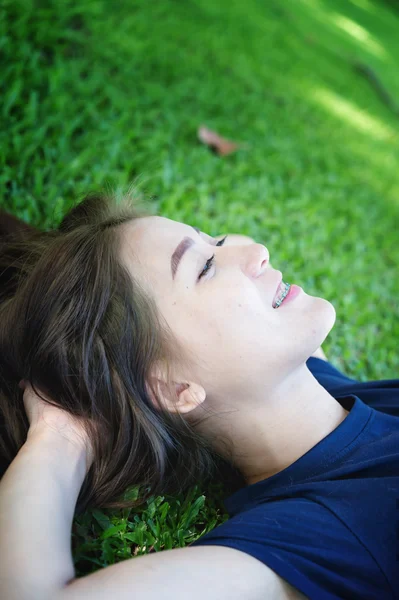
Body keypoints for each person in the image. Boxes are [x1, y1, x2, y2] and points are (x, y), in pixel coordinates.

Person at [0, 192, 398, 600]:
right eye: (206, 268)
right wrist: (57, 439)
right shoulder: (329, 530)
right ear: (173, 388)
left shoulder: (328, 386)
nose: (257, 251)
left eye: (217, 240)